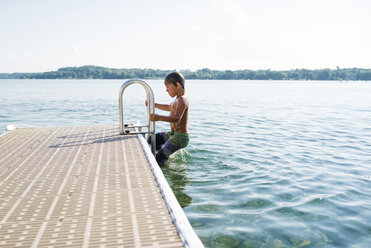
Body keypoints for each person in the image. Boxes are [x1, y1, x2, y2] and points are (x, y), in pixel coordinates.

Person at [147, 72, 189, 166]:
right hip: (173, 134)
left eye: (168, 87)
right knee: (152, 139)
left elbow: (177, 118)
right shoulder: (177, 99)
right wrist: (153, 104)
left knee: (158, 159)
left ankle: (163, 158)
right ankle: (167, 156)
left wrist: (158, 117)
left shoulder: (183, 99)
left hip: (180, 137)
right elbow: (168, 107)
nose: (166, 90)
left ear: (177, 85)